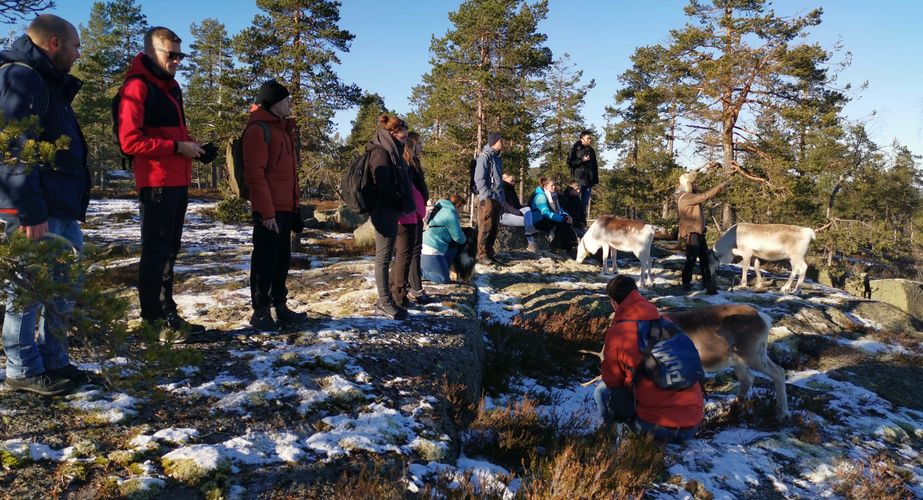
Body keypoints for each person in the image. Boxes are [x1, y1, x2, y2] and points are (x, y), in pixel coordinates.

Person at [0, 14, 90, 395]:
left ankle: (55, 360)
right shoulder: (21, 78)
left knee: (62, 288)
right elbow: (14, 147)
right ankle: (22, 367)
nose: (78, 53)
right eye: (75, 46)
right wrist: (30, 209)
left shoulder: (46, 81)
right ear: (54, 43)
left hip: (60, 207)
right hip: (37, 210)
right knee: (29, 290)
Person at [116, 26, 209, 342]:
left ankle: (168, 313)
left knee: (170, 250)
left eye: (181, 55)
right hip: (156, 183)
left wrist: (194, 148)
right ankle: (152, 321)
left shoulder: (172, 87)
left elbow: (173, 135)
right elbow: (130, 142)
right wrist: (177, 148)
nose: (178, 61)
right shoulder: (137, 87)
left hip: (177, 181)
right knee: (156, 252)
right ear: (151, 52)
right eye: (172, 55)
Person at [594, 275, 704, 444]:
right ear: (637, 293)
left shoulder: (619, 332)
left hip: (655, 428)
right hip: (693, 425)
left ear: (614, 303)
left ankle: (611, 441)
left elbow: (612, 380)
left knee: (602, 391)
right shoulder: (666, 322)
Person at [243, 79, 307, 331]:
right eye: (286, 100)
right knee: (264, 261)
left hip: (285, 208)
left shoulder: (283, 130)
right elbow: (255, 175)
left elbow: (290, 176)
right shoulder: (258, 130)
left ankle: (279, 305)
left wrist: (295, 208)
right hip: (268, 209)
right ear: (273, 103)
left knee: (281, 260)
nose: (290, 104)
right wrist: (266, 212)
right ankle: (260, 312)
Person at [368, 114, 414, 320]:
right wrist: (398, 198)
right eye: (403, 137)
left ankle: (386, 301)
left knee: (386, 258)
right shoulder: (381, 152)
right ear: (393, 134)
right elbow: (382, 185)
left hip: (390, 210)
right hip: (383, 211)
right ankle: (384, 302)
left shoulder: (390, 151)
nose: (405, 141)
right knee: (383, 258)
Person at [391, 131, 429, 307]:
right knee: (409, 253)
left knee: (409, 253)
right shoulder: (408, 165)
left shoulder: (413, 164)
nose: (421, 146)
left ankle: (405, 289)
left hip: (413, 215)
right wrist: (421, 210)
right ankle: (409, 290)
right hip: (409, 216)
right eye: (418, 144)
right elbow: (413, 192)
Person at [676, 172, 728, 294]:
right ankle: (686, 284)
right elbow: (704, 196)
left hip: (698, 232)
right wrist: (720, 187)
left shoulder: (689, 196)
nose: (696, 184)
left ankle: (707, 282)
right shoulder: (686, 197)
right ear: (688, 184)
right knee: (691, 259)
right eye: (693, 183)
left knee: (704, 259)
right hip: (691, 232)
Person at [421, 196, 467, 284]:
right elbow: (458, 237)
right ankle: (420, 274)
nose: (462, 210)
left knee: (453, 250)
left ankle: (438, 268)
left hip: (424, 245)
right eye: (462, 207)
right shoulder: (450, 213)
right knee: (443, 279)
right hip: (432, 249)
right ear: (457, 205)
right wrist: (465, 239)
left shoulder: (439, 208)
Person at [473, 132, 504, 264]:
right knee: (486, 226)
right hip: (488, 198)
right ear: (493, 142)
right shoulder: (484, 157)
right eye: (500, 141)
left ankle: (490, 252)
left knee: (494, 227)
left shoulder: (497, 158)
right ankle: (481, 255)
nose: (502, 143)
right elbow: (479, 178)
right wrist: (486, 195)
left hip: (497, 197)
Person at [530, 177, 577, 254]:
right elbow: (546, 213)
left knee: (565, 222)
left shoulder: (552, 195)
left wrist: (567, 216)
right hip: (538, 220)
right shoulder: (541, 196)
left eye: (555, 185)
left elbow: (559, 209)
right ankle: (565, 248)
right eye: (552, 185)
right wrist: (562, 219)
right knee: (562, 224)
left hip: (545, 217)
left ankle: (568, 246)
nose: (554, 187)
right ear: (545, 186)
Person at [499, 172, 538, 252]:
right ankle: (531, 243)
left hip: (513, 212)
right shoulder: (501, 189)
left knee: (527, 209)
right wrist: (517, 212)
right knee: (527, 221)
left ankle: (529, 233)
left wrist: (525, 209)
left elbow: (517, 205)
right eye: (511, 181)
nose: (513, 183)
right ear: (504, 179)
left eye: (514, 181)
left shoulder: (510, 189)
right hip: (504, 215)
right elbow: (504, 204)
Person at [567, 130, 599, 214]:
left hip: (589, 182)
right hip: (578, 180)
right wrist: (582, 160)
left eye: (590, 138)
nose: (590, 140)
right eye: (588, 138)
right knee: (575, 201)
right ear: (582, 138)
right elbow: (570, 163)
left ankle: (581, 219)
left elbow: (595, 166)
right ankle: (573, 218)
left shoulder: (591, 150)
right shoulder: (575, 149)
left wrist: (595, 181)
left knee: (584, 203)